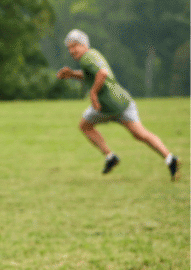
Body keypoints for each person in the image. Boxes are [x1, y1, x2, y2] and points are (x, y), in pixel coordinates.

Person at [57, 29, 180, 180]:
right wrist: (72, 74)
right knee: (136, 134)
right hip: (113, 104)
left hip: (112, 105)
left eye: (74, 46)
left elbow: (102, 74)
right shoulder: (91, 56)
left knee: (135, 133)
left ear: (84, 45)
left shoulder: (87, 57)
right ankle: (167, 158)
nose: (71, 50)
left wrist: (93, 93)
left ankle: (112, 156)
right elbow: (92, 75)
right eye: (69, 47)